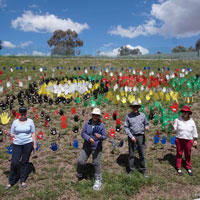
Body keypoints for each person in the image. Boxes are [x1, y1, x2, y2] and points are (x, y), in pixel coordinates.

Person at [72, 108, 107, 191]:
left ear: (99, 116)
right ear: (92, 115)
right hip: (86, 146)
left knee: (96, 163)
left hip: (97, 147)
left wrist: (100, 137)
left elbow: (105, 136)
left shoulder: (101, 125)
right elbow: (82, 133)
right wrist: (88, 138)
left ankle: (98, 179)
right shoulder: (87, 123)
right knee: (81, 161)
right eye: (94, 115)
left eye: (97, 115)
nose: (95, 116)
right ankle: (78, 175)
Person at [5, 107, 36, 190]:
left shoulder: (30, 121)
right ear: (19, 113)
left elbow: (33, 133)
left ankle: (22, 180)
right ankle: (11, 181)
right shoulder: (15, 122)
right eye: (21, 112)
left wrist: (34, 144)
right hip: (17, 144)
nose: (23, 114)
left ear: (26, 112)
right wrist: (8, 134)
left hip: (28, 144)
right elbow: (13, 134)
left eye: (24, 112)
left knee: (24, 162)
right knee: (14, 162)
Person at [170, 105, 198, 176]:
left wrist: (195, 140)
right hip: (179, 139)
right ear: (182, 112)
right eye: (183, 111)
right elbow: (174, 129)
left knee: (187, 154)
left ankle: (188, 167)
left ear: (189, 113)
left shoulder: (192, 121)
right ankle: (178, 167)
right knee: (179, 153)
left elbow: (194, 131)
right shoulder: (178, 120)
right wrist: (172, 125)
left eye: (186, 112)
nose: (185, 113)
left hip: (188, 140)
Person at [124, 100, 149, 177]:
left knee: (141, 153)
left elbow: (146, 123)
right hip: (132, 136)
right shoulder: (128, 116)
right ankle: (131, 170)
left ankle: (143, 170)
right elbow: (126, 127)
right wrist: (131, 136)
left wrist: (146, 126)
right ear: (132, 107)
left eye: (136, 107)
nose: (135, 108)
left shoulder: (143, 115)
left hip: (141, 136)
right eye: (134, 107)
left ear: (138, 107)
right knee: (131, 154)